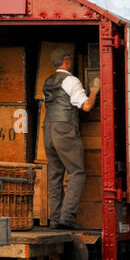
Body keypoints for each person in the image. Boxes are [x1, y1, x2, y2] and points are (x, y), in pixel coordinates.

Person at [42, 49, 99, 229]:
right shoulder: (71, 80)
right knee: (77, 172)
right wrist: (95, 90)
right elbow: (87, 106)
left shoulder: (47, 82)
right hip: (64, 129)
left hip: (48, 129)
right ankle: (67, 217)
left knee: (55, 175)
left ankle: (54, 218)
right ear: (66, 61)